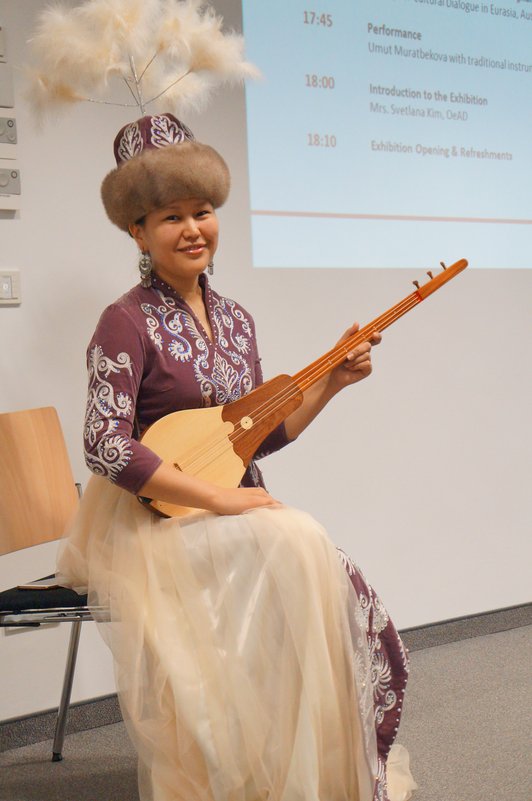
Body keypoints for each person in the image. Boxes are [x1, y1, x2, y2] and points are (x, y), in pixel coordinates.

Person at [58, 112, 416, 801]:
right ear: (136, 230)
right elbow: (104, 443)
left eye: (203, 211)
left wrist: (333, 384)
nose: (193, 229)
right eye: (170, 216)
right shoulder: (125, 320)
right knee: (299, 535)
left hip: (233, 511)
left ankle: (306, 772)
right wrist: (220, 499)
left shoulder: (236, 320)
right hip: (152, 524)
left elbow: (260, 437)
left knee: (300, 548)